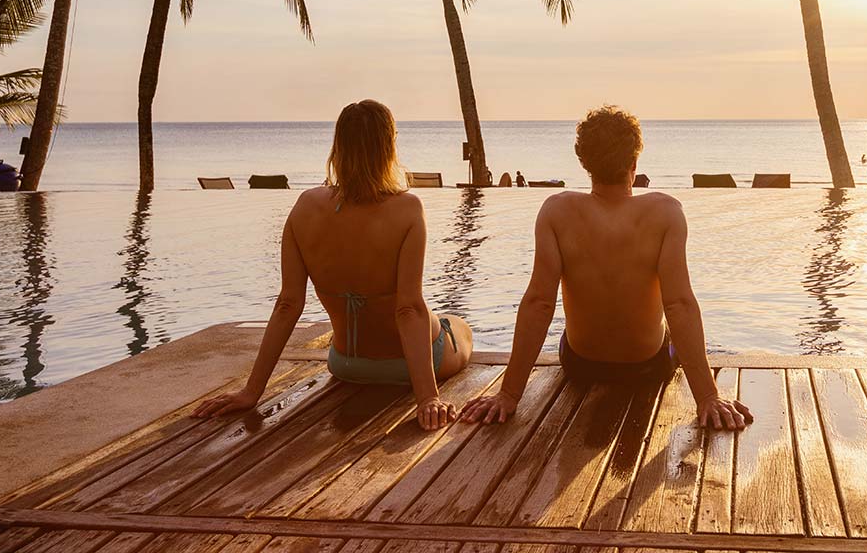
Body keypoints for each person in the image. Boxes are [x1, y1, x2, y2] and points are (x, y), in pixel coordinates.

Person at [461, 105, 752, 431]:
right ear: (634, 162)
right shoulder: (666, 212)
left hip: (581, 365)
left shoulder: (556, 211)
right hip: (648, 366)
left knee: (568, 331)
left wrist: (509, 394)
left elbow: (539, 303)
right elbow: (679, 304)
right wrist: (708, 397)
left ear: (584, 162)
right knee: (667, 329)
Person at [193, 100, 472, 429]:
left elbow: (287, 304)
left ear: (338, 147)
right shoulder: (407, 209)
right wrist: (428, 398)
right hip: (404, 368)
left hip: (345, 364)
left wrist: (252, 392)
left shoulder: (305, 206)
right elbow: (408, 309)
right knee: (458, 325)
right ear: (388, 146)